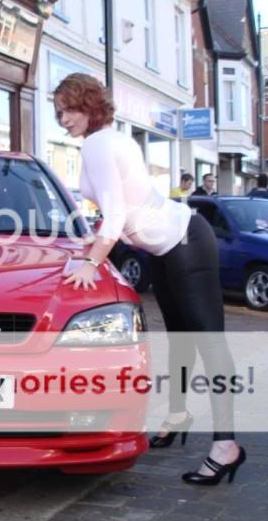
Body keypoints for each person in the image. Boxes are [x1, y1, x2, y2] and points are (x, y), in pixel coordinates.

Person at [53, 73, 245, 486]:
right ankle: (177, 415)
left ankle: (227, 446)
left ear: (87, 105)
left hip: (187, 241)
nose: (62, 119)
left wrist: (90, 263)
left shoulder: (100, 143)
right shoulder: (109, 140)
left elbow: (119, 214)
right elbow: (123, 209)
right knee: (179, 341)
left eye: (67, 110)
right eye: (59, 112)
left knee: (210, 344)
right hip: (164, 247)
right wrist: (92, 245)